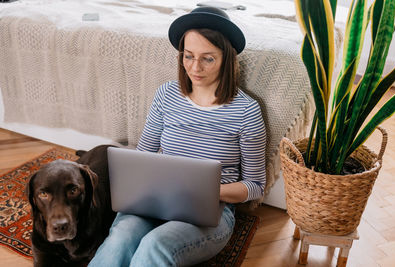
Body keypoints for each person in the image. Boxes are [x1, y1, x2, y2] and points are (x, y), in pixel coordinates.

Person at [88, 6, 266, 266]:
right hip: (156, 199)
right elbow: (144, 155)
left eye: (208, 58)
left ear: (226, 59)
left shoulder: (246, 111)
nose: (195, 67)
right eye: (188, 56)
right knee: (121, 237)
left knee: (155, 245)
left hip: (211, 211)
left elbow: (255, 186)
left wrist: (207, 192)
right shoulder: (166, 95)